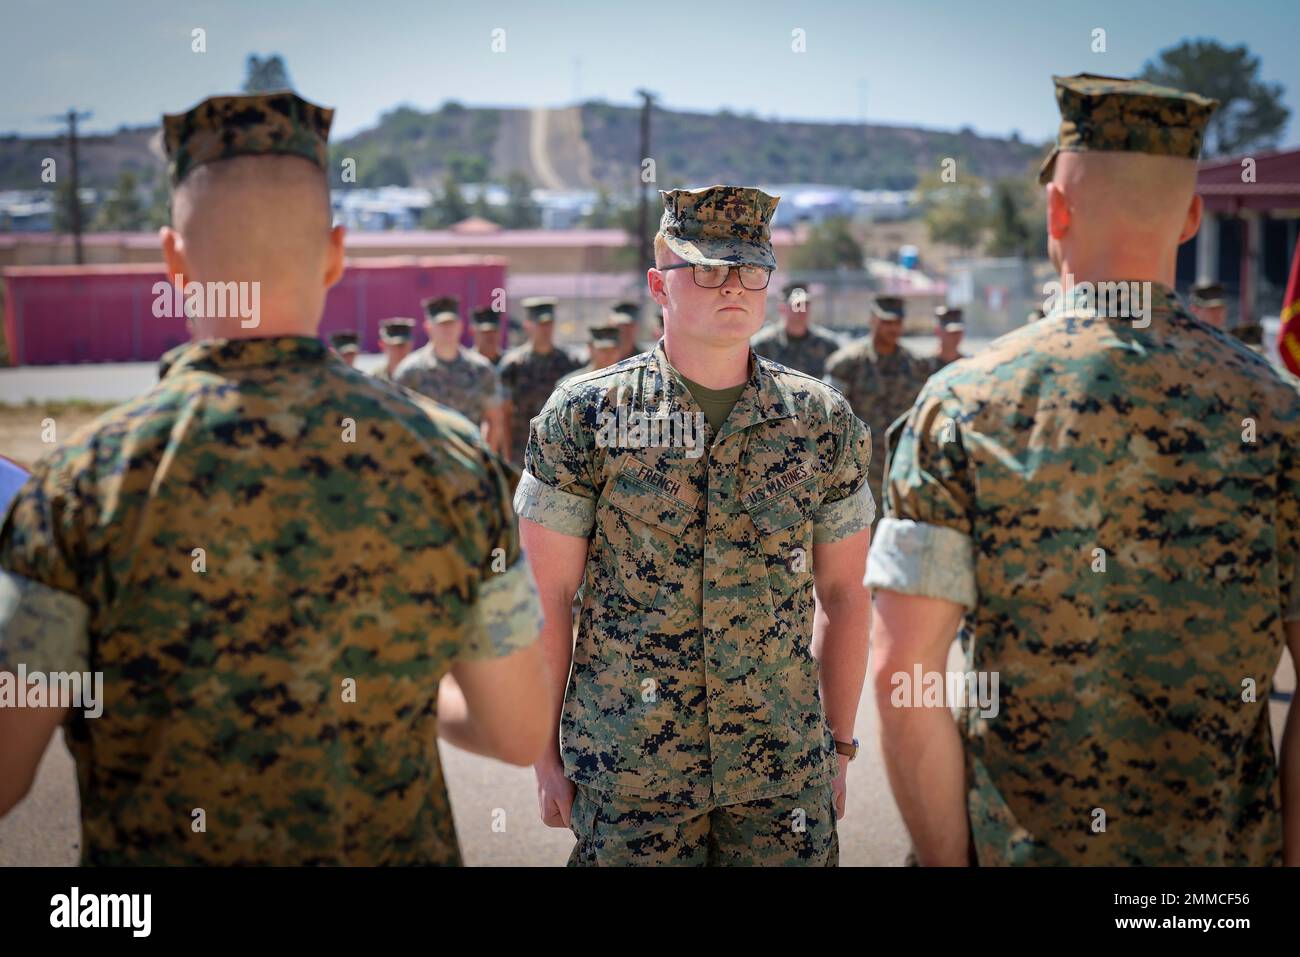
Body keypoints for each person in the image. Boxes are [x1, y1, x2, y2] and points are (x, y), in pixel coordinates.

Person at [0, 91, 550, 865]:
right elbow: (517, 728)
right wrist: (397, 692)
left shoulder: (77, 487)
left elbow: (4, 768)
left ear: (173, 261)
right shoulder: (454, 464)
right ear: (334, 252)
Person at [867, 73, 1300, 866]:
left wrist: (944, 858)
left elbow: (904, 674)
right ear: (1192, 217)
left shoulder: (960, 405)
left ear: (1055, 211)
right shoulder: (1279, 415)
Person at [515, 185, 874, 866]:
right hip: (632, 775)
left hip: (779, 773)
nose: (731, 285)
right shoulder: (586, 416)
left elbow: (848, 595)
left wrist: (841, 743)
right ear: (659, 284)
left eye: (749, 268)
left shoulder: (819, 421)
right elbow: (546, 598)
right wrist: (544, 755)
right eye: (706, 269)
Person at [824, 296, 926, 517]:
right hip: (859, 470)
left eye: (897, 322)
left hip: (901, 466)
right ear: (873, 320)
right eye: (886, 322)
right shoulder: (848, 364)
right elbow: (829, 416)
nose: (892, 328)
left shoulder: (917, 365)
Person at [395, 295, 508, 456]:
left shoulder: (481, 369)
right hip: (427, 461)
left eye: (451, 323)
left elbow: (493, 419)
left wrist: (485, 460)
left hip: (469, 460)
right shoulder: (410, 372)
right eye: (441, 324)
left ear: (460, 326)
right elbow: (401, 421)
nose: (447, 329)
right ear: (428, 327)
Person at [497, 297, 581, 469]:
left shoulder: (568, 362)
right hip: (522, 450)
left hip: (561, 452)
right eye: (540, 324)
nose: (545, 329)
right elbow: (504, 414)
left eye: (549, 323)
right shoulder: (513, 365)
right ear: (528, 325)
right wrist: (506, 456)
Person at [749, 280, 842, 378]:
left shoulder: (828, 345)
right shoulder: (762, 345)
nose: (802, 309)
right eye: (796, 304)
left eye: (806, 304)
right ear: (782, 308)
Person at [558, 324, 624, 386]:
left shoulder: (626, 381)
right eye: (604, 350)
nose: (609, 354)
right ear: (590, 349)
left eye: (613, 350)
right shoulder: (571, 383)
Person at [920, 306, 966, 376]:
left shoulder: (968, 365)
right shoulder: (924, 366)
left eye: (958, 331)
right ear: (937, 331)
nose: (955, 336)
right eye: (951, 332)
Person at [371, 316, 414, 381]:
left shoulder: (419, 376)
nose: (399, 350)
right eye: (394, 345)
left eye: (403, 345)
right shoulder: (375, 378)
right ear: (382, 345)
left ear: (411, 345)